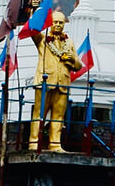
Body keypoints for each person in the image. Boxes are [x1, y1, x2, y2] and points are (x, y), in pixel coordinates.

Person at [28, 11, 82, 151]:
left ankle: (55, 144)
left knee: (58, 115)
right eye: (55, 22)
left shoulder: (68, 42)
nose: (58, 25)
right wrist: (34, 13)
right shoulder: (42, 38)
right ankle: (34, 143)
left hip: (63, 83)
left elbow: (79, 66)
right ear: (50, 23)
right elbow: (33, 30)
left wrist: (71, 59)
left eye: (61, 23)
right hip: (44, 82)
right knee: (39, 114)